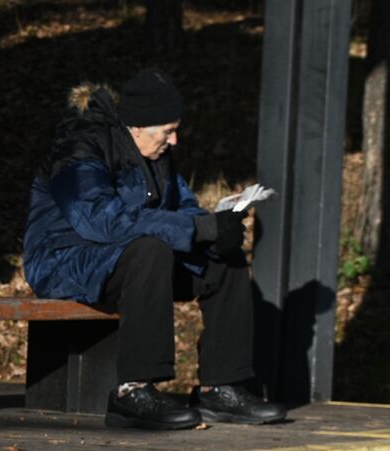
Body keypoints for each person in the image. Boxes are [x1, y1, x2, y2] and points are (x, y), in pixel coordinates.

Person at [22, 69, 285, 429]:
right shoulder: (79, 148)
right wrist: (196, 229)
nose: (174, 140)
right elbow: (100, 219)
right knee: (150, 250)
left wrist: (215, 230)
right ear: (137, 127)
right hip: (62, 259)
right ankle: (132, 392)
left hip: (127, 261)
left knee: (224, 261)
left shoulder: (155, 152)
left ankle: (221, 388)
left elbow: (183, 208)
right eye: (167, 131)